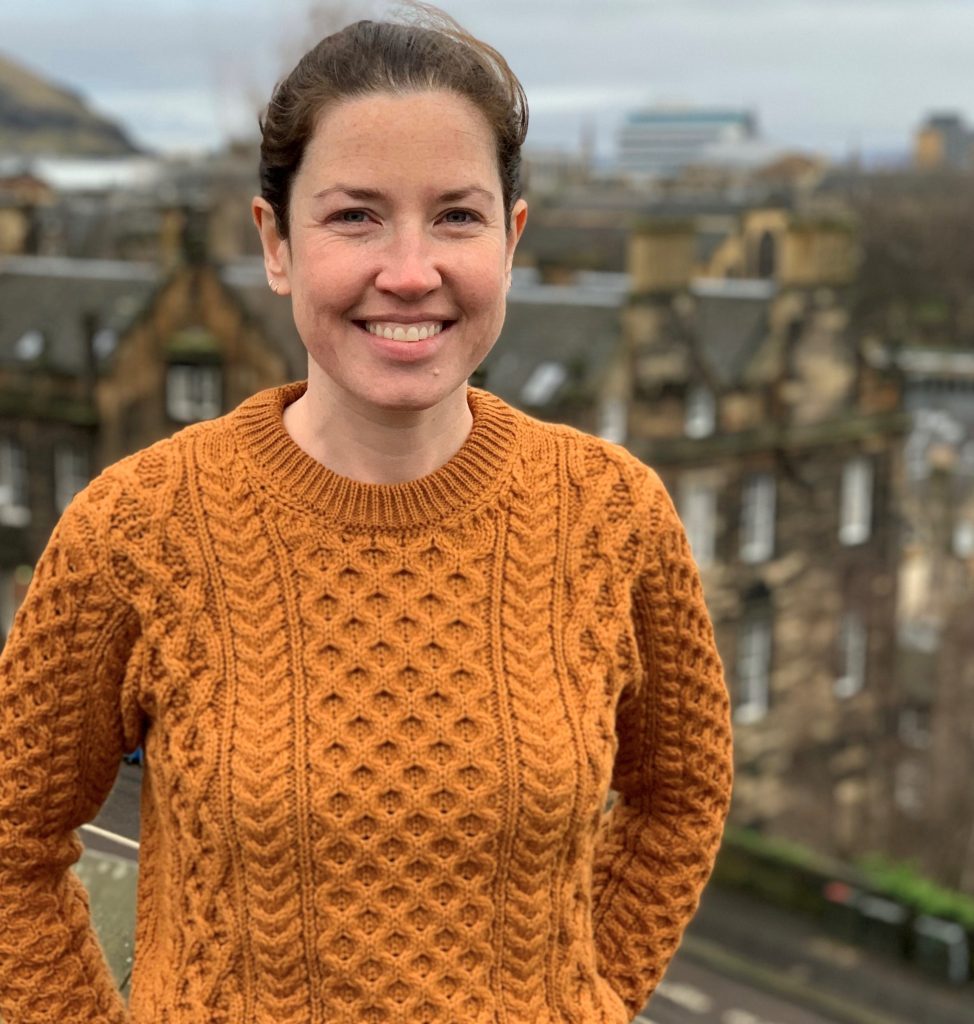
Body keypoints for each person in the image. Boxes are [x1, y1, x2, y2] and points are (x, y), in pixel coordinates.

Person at [0, 8, 732, 1023]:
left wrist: (587, 996)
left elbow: (680, 794)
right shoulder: (137, 529)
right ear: (276, 242)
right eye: (354, 216)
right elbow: (11, 842)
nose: (408, 270)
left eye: (456, 216)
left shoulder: (610, 514)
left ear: (510, 241)